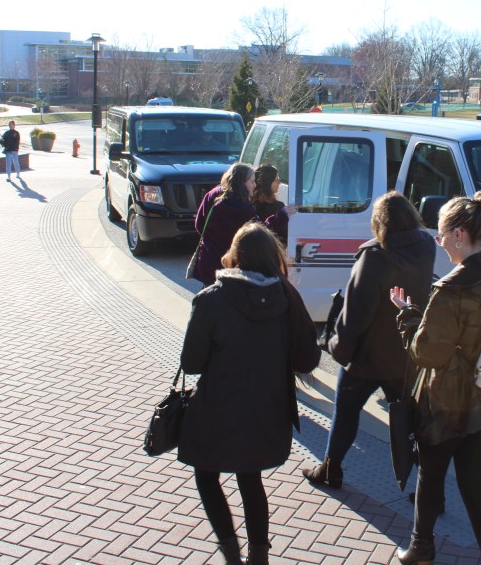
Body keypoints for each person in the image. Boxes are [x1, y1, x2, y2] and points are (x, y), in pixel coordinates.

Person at [389, 188, 481, 565]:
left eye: (443, 233)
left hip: (448, 402)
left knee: (431, 475)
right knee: (473, 482)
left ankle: (421, 548)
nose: (438, 239)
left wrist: (407, 316)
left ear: (460, 236)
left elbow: (426, 352)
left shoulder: (449, 292)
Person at [178, 222, 321, 564]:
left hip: (217, 407)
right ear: (273, 258)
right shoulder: (287, 296)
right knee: (250, 478)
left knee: (206, 474)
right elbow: (308, 359)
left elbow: (192, 363)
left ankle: (231, 553)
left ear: (235, 255)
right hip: (267, 410)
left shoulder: (212, 298)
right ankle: (259, 556)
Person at [302, 191, 435, 489]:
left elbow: (355, 315)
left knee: (346, 412)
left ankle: (331, 469)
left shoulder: (375, 256)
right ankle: (429, 489)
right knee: (410, 421)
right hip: (405, 351)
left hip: (366, 357)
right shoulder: (426, 245)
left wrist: (338, 348)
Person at [191, 163, 289, 285]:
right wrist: (282, 215)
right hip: (228, 266)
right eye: (252, 181)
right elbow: (262, 232)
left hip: (208, 262)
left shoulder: (216, 198)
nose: (255, 185)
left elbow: (199, 226)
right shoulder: (243, 207)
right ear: (241, 182)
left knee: (210, 298)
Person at [252, 164, 288, 246]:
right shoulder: (278, 207)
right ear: (268, 182)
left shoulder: (250, 204)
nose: (279, 182)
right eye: (276, 179)